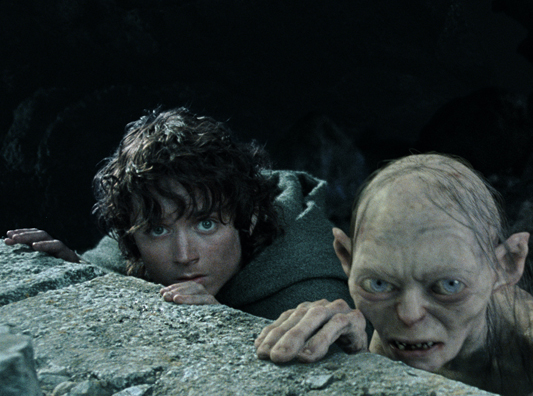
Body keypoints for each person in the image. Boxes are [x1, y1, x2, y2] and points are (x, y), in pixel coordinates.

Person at [254, 153, 533, 396]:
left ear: (506, 266)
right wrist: (349, 353)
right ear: (346, 258)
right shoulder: (386, 323)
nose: (409, 315)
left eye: (448, 286)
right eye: (379, 283)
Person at [4, 107, 351, 319]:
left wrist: (222, 325)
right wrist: (73, 272)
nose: (184, 256)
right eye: (158, 231)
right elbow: (104, 268)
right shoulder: (138, 225)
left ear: (247, 219)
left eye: (206, 224)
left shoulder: (307, 282)